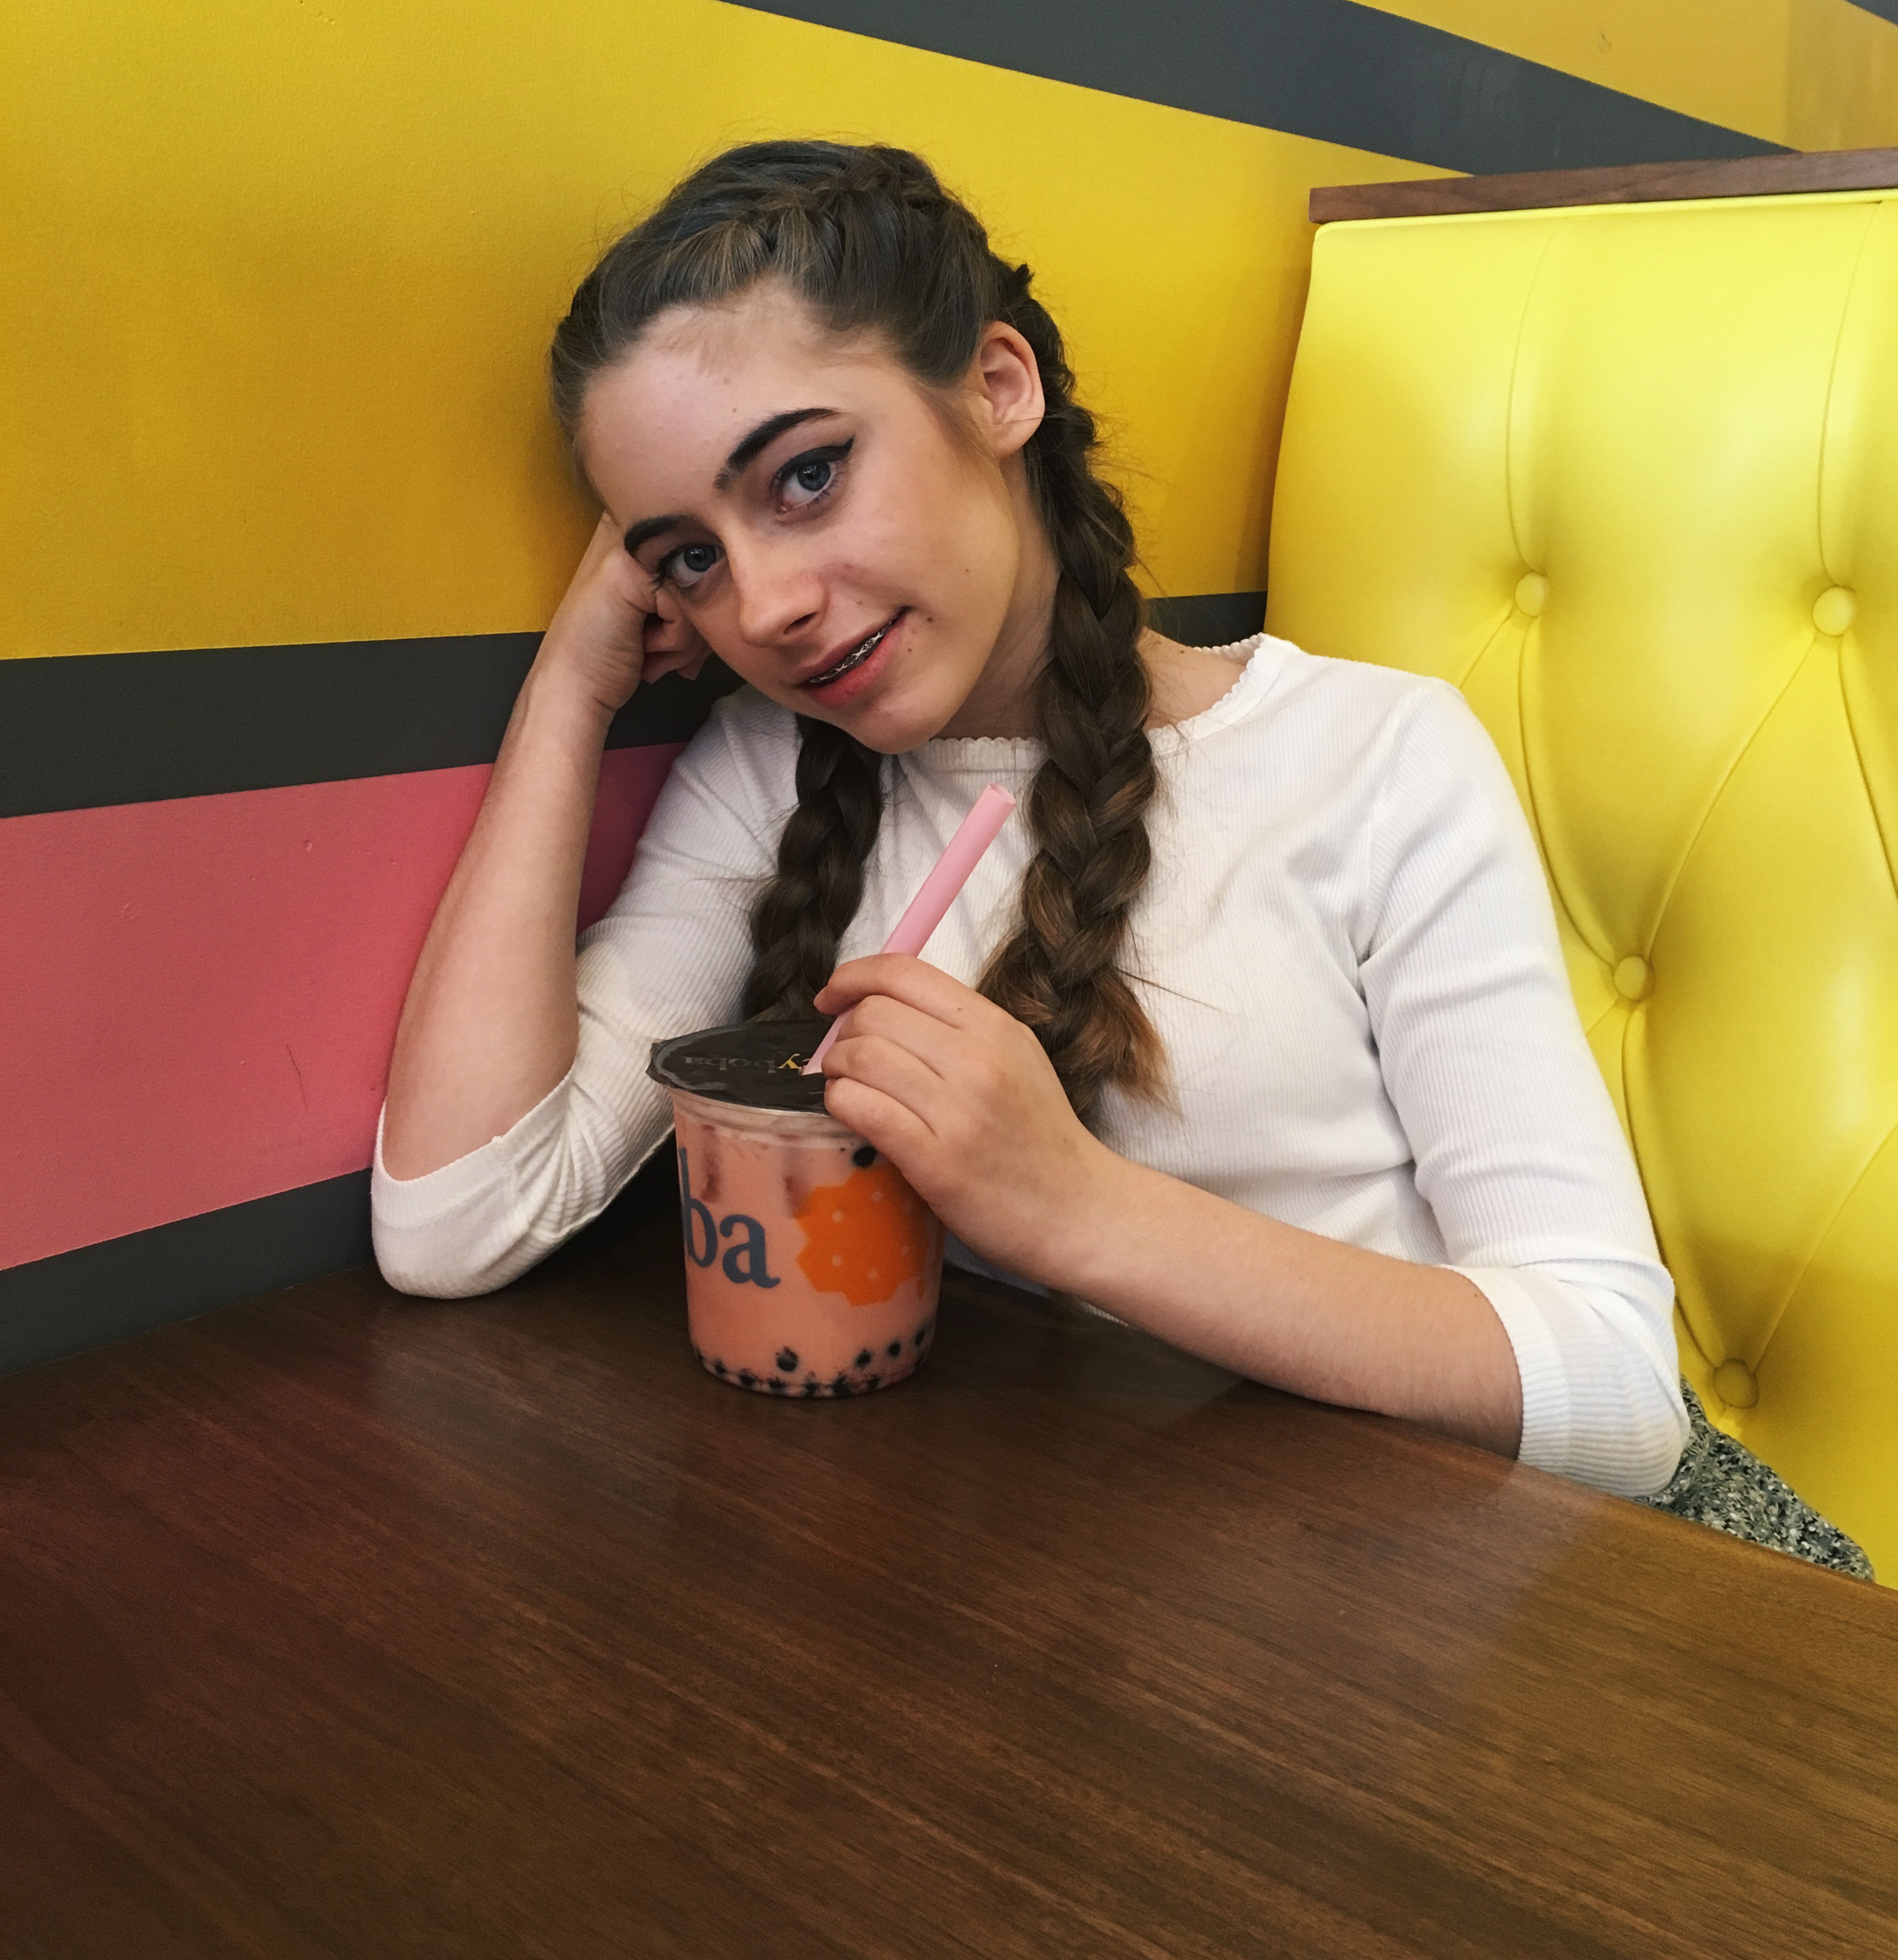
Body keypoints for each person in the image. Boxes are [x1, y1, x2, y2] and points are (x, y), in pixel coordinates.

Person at [374, 139, 1690, 1499]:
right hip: (1012, 1570)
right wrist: (573, 686)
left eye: (807, 476)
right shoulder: (769, 771)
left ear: (999, 389)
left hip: (1386, 1567)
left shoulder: (1374, 756)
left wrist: (1074, 1208)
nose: (762, 607)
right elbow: (455, 1225)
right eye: (691, 557)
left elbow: (1618, 1394)